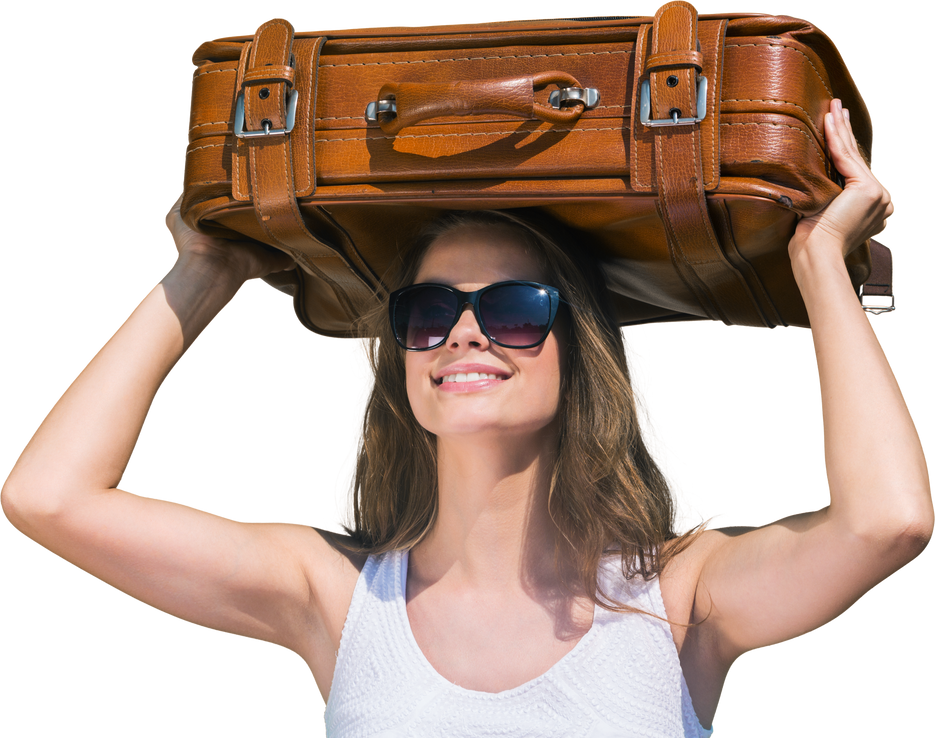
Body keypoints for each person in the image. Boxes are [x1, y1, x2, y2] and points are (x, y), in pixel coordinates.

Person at [1, 99, 930, 737]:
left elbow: (884, 520)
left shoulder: (679, 594)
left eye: (517, 307)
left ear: (579, 352)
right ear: (404, 355)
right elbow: (46, 497)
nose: (467, 333)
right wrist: (203, 273)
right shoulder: (334, 594)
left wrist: (819, 265)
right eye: (429, 312)